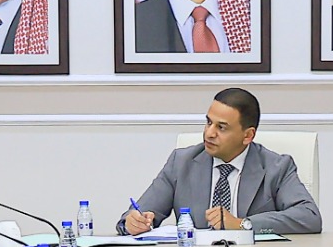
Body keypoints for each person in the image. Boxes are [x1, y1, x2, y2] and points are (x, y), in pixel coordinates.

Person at [120, 88, 321, 234]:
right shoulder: (181, 162)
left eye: (221, 127)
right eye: (208, 122)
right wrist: (132, 222)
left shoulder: (276, 167)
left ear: (248, 135)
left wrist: (243, 224)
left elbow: (309, 217)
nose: (209, 133)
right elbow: (140, 211)